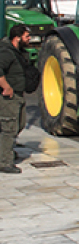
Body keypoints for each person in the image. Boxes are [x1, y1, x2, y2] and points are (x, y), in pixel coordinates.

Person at [0, 24, 32, 175]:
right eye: (26, 36)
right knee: (8, 128)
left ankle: (5, 151)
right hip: (8, 97)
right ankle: (4, 161)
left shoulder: (18, 52)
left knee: (19, 124)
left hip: (19, 94)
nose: (29, 39)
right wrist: (6, 86)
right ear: (17, 38)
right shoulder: (6, 52)